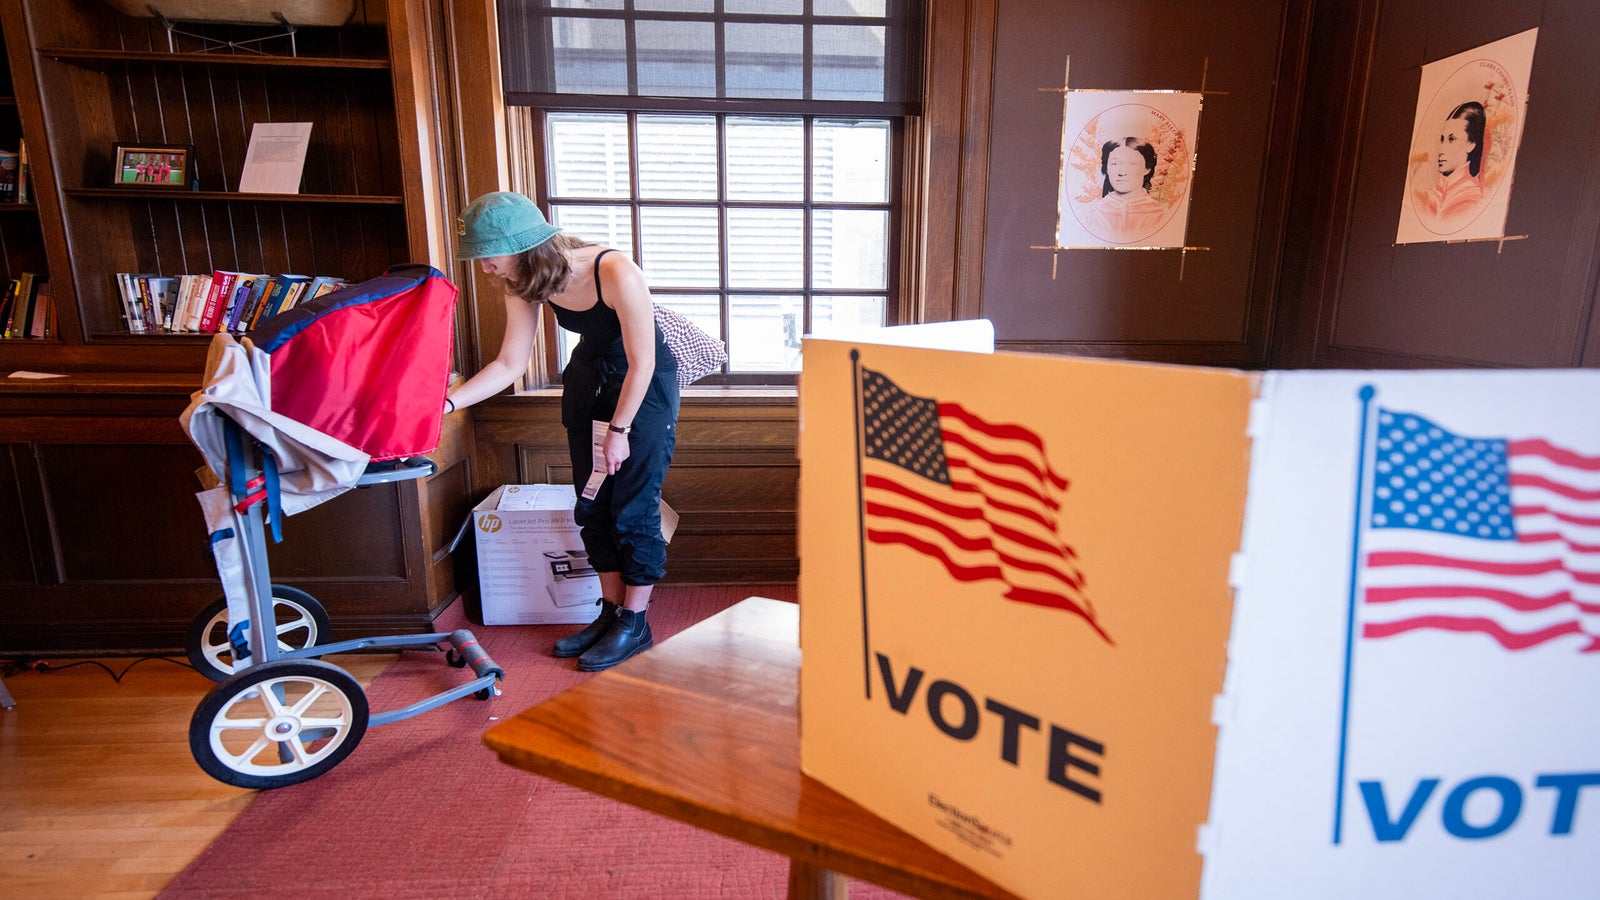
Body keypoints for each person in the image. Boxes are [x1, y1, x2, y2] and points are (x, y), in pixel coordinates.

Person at [445, 192, 680, 672]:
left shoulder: (615, 271)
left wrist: (620, 428)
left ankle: (635, 623)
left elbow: (645, 361)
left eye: (489, 256)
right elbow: (510, 362)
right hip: (589, 381)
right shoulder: (525, 279)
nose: (485, 269)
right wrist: (446, 404)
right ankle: (611, 614)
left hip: (641, 389)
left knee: (633, 508)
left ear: (522, 244)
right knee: (593, 505)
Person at [1079, 137, 1168, 243]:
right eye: (1114, 164)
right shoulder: (1096, 213)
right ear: (1106, 168)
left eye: (1132, 164)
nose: (1122, 172)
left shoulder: (1160, 214)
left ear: (1147, 168)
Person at [1420, 101, 1486, 222]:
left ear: (1470, 144)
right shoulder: (1434, 193)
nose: (1441, 149)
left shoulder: (1470, 197)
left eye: (1452, 139)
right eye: (1442, 139)